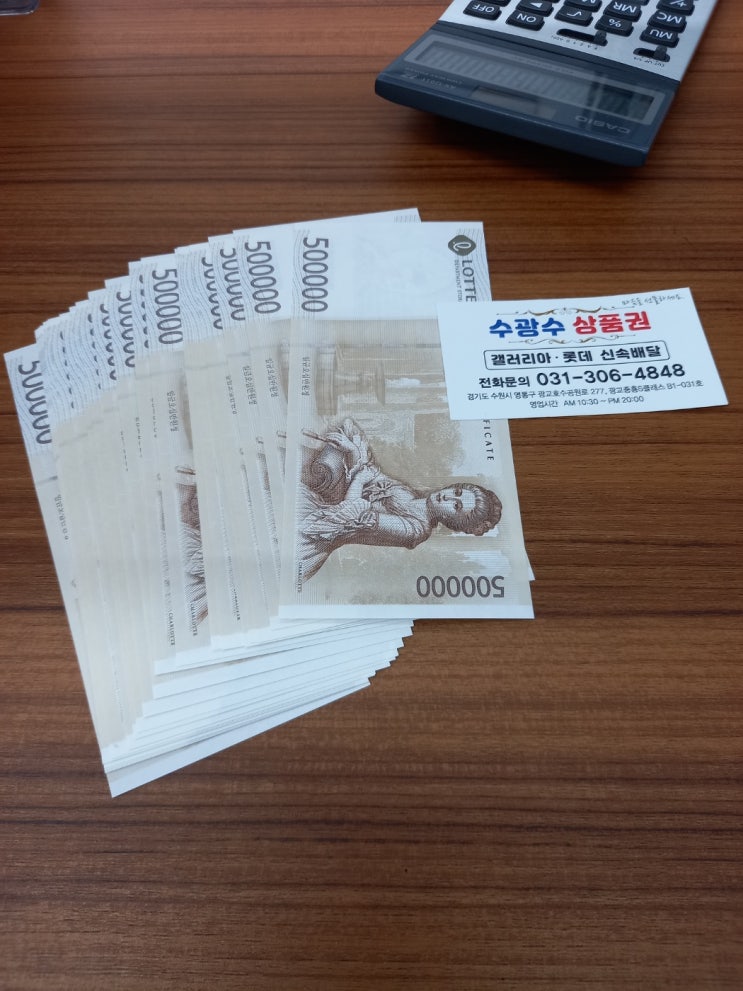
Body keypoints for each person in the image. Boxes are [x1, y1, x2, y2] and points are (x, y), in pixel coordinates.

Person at [298, 418, 502, 580]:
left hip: (318, 530)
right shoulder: (408, 493)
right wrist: (352, 451)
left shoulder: (414, 530)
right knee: (336, 448)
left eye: (456, 506)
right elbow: (371, 473)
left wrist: (359, 479)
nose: (447, 497)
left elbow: (351, 516)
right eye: (457, 492)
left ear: (454, 520)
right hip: (328, 503)